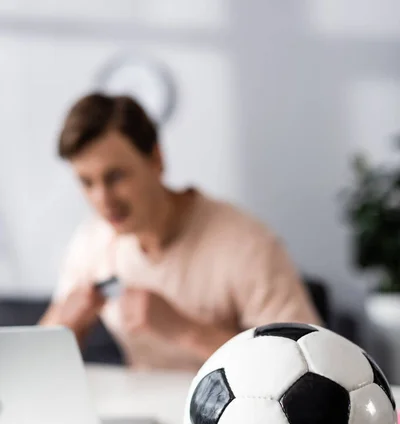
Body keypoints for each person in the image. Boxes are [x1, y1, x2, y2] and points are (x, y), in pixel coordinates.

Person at [40, 93, 320, 370]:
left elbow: (302, 366)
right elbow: (34, 362)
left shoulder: (249, 245)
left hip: (232, 413)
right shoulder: (92, 241)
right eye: (87, 182)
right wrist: (66, 326)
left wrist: (185, 331)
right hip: (139, 409)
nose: (103, 200)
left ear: (156, 159)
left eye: (115, 177)